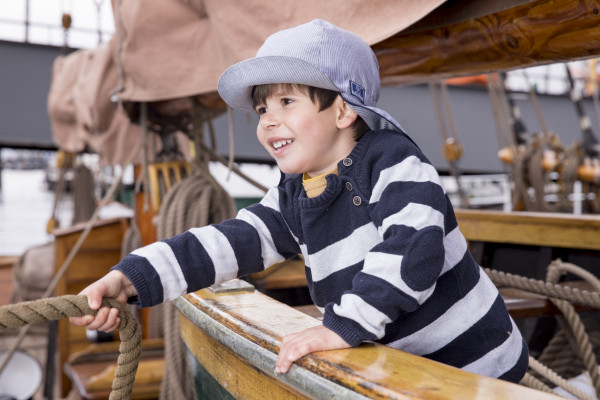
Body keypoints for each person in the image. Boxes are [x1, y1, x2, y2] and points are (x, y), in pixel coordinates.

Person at [70, 19, 528, 381]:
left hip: (477, 369)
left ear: (343, 109)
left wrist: (339, 327)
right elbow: (227, 242)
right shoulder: (295, 194)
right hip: (406, 367)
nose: (268, 121)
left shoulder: (393, 163)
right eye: (263, 108)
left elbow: (413, 247)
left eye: (287, 102)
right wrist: (130, 279)